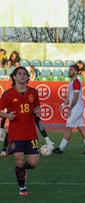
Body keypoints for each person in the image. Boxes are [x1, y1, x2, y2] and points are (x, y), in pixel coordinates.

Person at [0, 66, 41, 196]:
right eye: (20, 74)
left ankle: (22, 169)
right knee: (19, 160)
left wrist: (38, 111)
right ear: (14, 77)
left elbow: (37, 108)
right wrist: (7, 116)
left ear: (28, 77)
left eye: (25, 74)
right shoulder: (8, 94)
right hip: (16, 133)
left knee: (33, 163)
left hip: (31, 133)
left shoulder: (33, 92)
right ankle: (22, 187)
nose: (22, 76)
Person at [53, 64, 85, 154]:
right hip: (78, 108)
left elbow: (75, 97)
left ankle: (60, 148)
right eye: (69, 69)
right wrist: (63, 104)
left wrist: (70, 108)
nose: (69, 71)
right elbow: (70, 96)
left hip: (76, 109)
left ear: (75, 72)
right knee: (81, 128)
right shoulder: (72, 82)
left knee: (68, 128)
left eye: (71, 70)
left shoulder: (76, 82)